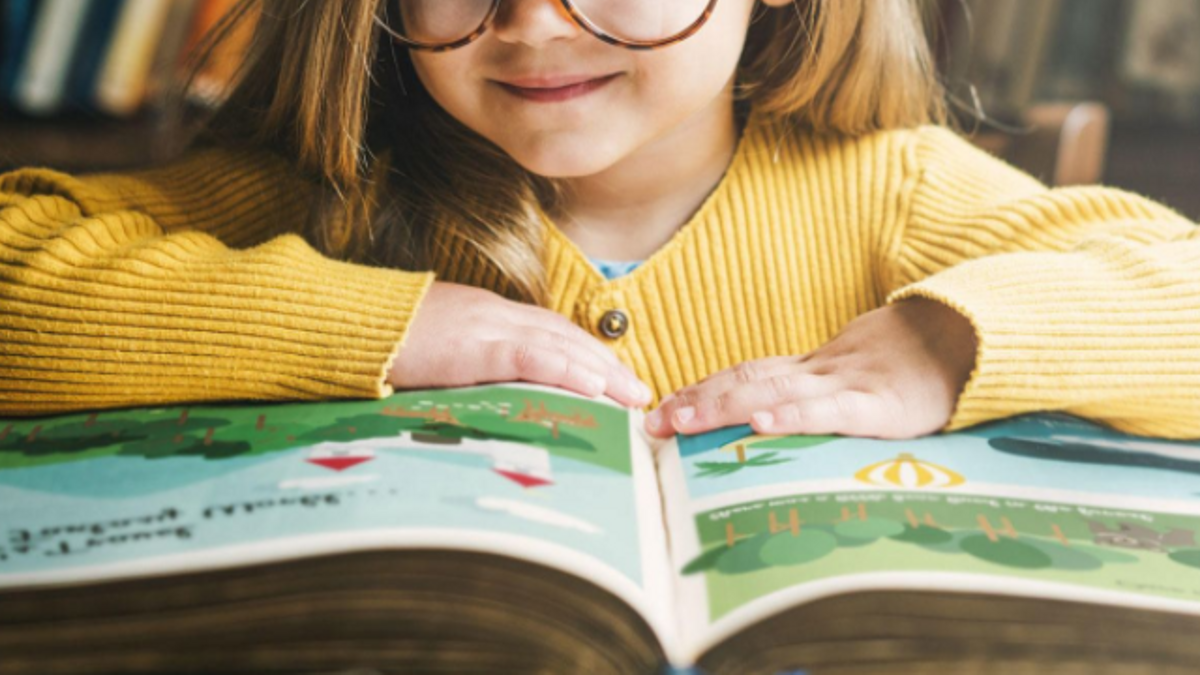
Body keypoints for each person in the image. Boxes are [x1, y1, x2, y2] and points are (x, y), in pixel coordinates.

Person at [1, 0, 1197, 443]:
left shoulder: (893, 188)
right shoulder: (334, 189)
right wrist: (387, 321)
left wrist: (942, 343)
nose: (530, 23)